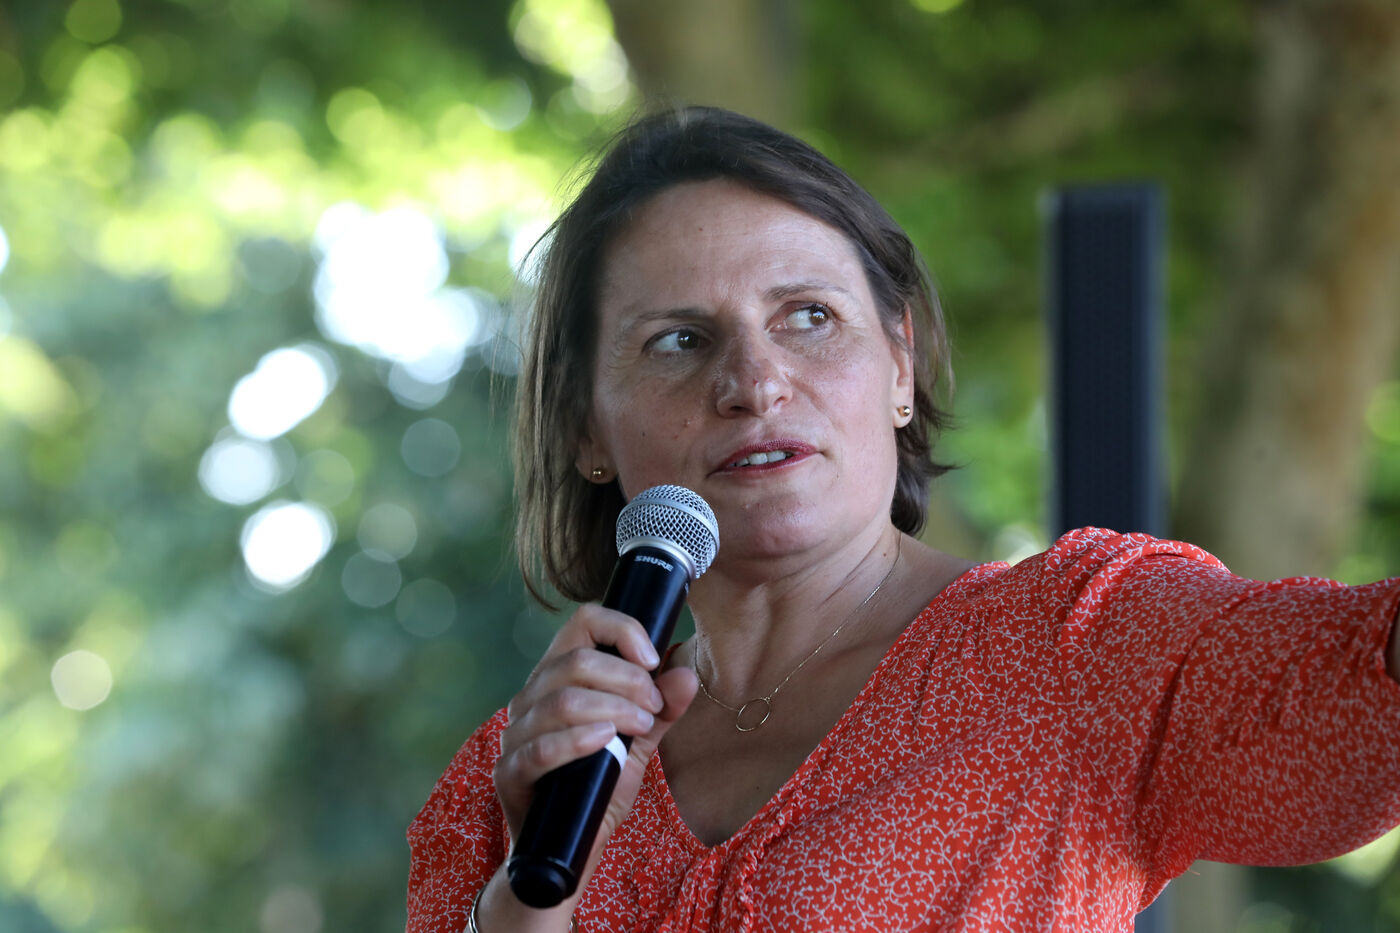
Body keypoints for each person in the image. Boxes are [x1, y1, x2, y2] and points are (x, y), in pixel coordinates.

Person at [405, 106, 1400, 932]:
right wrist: (529, 905)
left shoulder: (1080, 643)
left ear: (897, 363)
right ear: (585, 427)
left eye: (808, 315)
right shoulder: (518, 776)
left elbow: (1362, 703)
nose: (753, 382)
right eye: (678, 340)